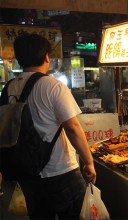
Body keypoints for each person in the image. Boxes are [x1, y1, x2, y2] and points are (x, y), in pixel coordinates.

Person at [5, 33, 96, 219]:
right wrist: (88, 161)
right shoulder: (52, 85)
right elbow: (72, 127)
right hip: (60, 170)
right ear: (46, 57)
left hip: (26, 172)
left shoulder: (9, 88)